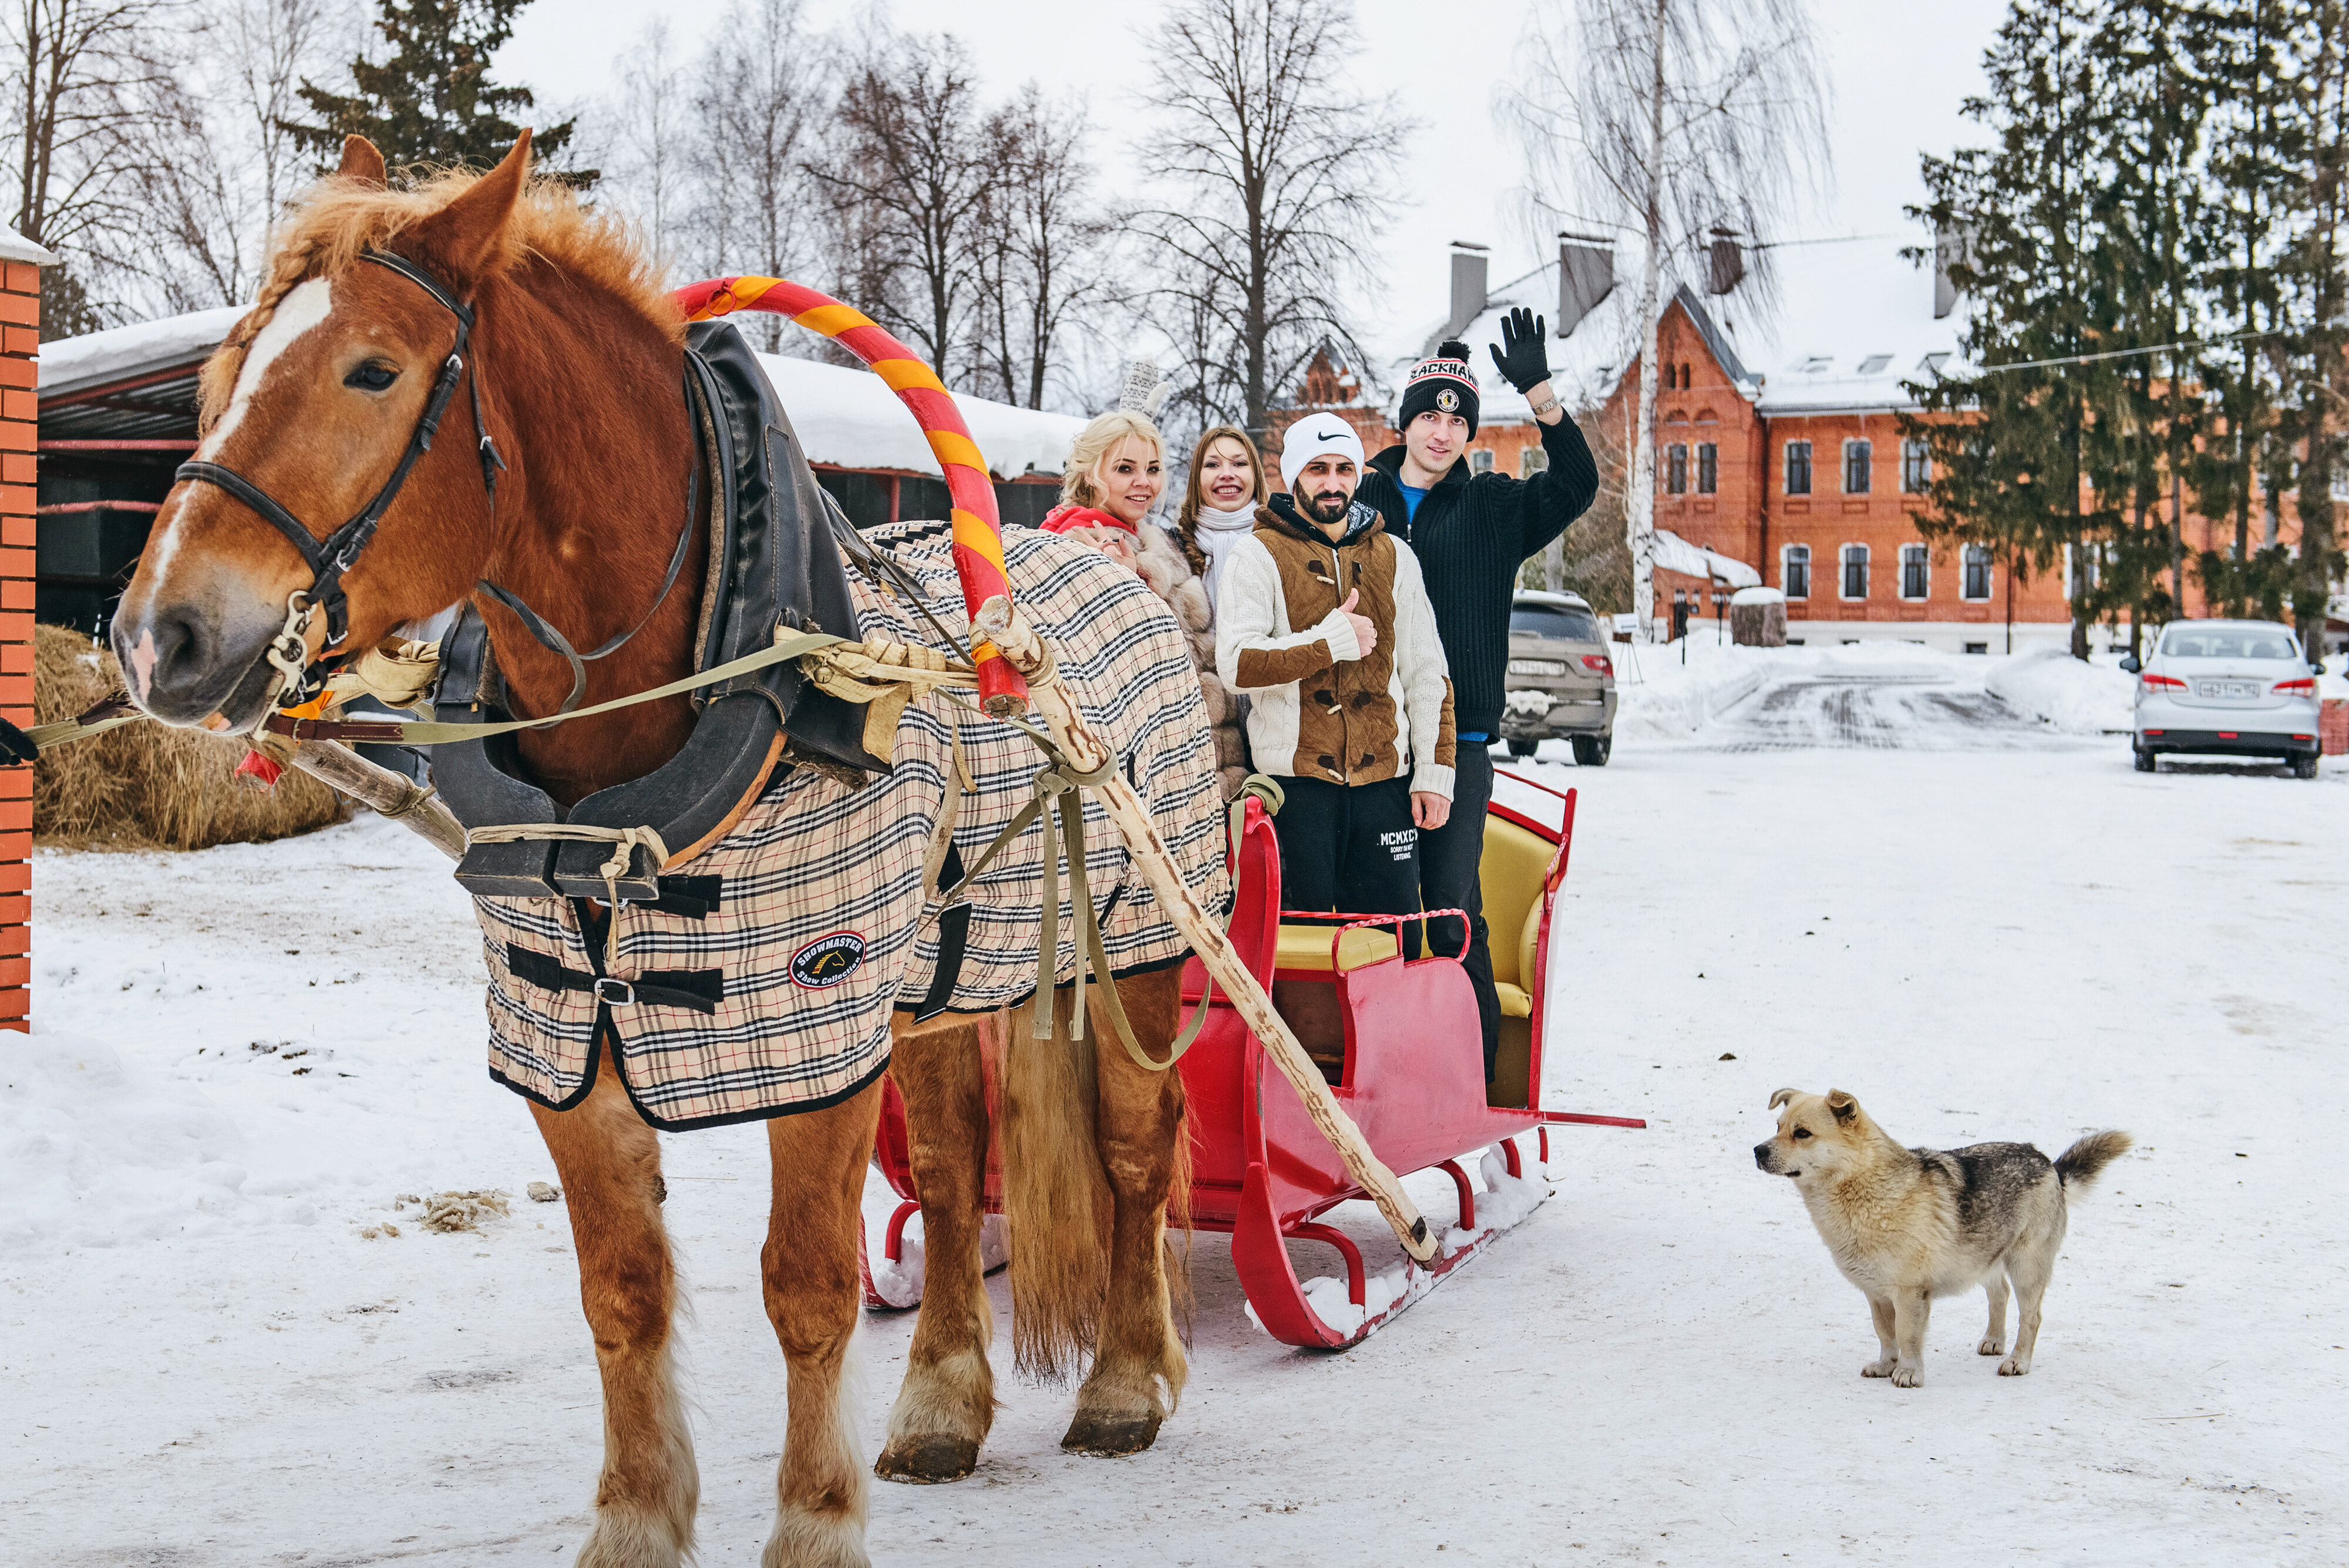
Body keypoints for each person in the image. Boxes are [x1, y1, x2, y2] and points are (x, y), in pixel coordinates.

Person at [1355, 308, 1600, 1075]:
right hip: (1365, 744)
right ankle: (1382, 1070)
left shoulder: (1494, 506)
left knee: (1448, 910)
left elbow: (1578, 485)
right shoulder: (1356, 502)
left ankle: (1471, 1079)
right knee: (1374, 913)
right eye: (1429, 416)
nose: (1442, 432)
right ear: (1405, 422)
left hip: (1457, 749)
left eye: (1457, 420)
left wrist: (1540, 394)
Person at [1215, 419, 1454, 921]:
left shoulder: (1396, 556)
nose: (1332, 482)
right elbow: (1237, 665)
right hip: (1295, 790)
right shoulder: (1256, 555)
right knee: (1298, 943)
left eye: (1345, 469)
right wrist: (1328, 643)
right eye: (1317, 469)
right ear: (1292, 476)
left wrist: (1434, 774)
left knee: (1390, 941)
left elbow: (1428, 673)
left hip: (1385, 787)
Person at [1040, 406, 1250, 798]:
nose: (1144, 483)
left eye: (1153, 469)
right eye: (1125, 469)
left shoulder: (1149, 540)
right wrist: (1126, 587)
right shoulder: (1079, 546)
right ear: (1089, 473)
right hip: (1151, 770)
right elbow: (1101, 676)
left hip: (1199, 757)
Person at [1168, 424, 1270, 615]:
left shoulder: (1286, 545)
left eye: (1239, 464)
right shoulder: (1169, 552)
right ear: (1197, 479)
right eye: (1212, 465)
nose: (1227, 474)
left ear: (1255, 474)